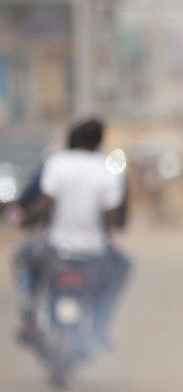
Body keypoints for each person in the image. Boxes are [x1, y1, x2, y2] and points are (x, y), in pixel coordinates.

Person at [12, 118, 127, 348]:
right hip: (95, 253)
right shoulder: (107, 169)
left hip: (55, 248)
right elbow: (114, 218)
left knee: (22, 259)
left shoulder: (57, 163)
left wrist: (26, 220)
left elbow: (45, 204)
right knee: (123, 267)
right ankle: (101, 324)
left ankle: (31, 315)